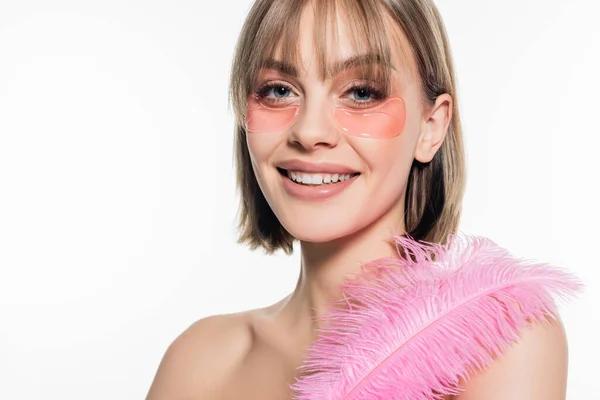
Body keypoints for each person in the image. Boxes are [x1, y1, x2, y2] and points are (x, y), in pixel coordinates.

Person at [146, 0, 572, 398]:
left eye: (362, 93)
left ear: (431, 126)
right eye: (278, 91)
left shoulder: (496, 336)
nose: (309, 132)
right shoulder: (198, 362)